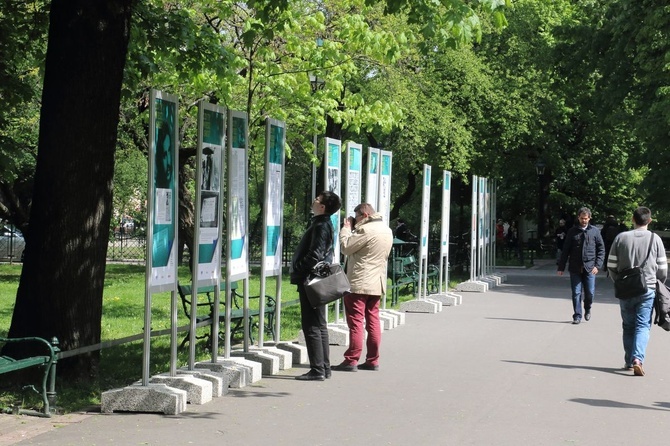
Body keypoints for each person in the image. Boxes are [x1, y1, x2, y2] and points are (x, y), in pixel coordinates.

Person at [607, 206, 667, 376]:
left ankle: (628, 360)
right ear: (650, 220)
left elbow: (611, 265)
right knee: (642, 326)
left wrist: (618, 281)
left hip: (625, 289)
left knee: (628, 325)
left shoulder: (621, 238)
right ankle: (637, 359)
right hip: (647, 288)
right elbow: (662, 269)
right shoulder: (655, 239)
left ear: (632, 219)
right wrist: (657, 284)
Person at [289, 191, 342, 381]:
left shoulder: (321, 225)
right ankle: (324, 368)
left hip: (311, 280)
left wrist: (299, 268)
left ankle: (317, 369)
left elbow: (315, 255)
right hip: (317, 279)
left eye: (317, 199)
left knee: (311, 324)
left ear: (322, 207)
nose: (314, 201)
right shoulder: (325, 224)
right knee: (319, 324)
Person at [336, 203, 393, 372]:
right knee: (373, 321)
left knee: (356, 322)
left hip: (359, 283)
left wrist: (346, 229)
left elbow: (346, 247)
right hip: (377, 282)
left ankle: (351, 360)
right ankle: (373, 359)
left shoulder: (365, 230)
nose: (356, 221)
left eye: (357, 217)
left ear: (365, 215)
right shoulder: (387, 230)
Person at [557, 207, 605, 324]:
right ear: (578, 217)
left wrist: (597, 266)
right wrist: (561, 267)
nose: (584, 221)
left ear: (589, 218)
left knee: (590, 292)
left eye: (586, 218)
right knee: (576, 292)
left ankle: (587, 308)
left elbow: (601, 249)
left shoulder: (594, 231)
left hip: (590, 267)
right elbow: (566, 250)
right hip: (575, 267)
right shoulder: (572, 231)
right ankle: (577, 315)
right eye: (582, 218)